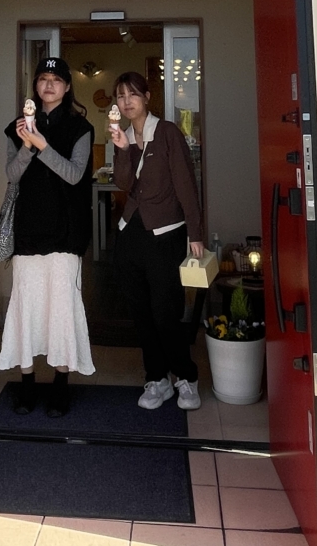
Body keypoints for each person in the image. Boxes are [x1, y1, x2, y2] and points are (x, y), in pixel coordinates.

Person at [0, 57, 95, 416]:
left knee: (61, 309)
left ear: (67, 87)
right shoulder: (17, 127)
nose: (49, 85)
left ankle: (60, 385)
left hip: (66, 232)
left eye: (56, 79)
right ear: (35, 86)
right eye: (43, 78)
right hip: (28, 231)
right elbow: (12, 175)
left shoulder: (80, 128)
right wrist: (26, 145)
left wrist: (41, 145)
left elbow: (74, 174)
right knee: (26, 306)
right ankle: (26, 383)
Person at [109, 71, 204, 410]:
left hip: (166, 233)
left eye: (133, 94)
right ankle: (157, 379)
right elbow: (123, 184)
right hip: (131, 233)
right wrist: (122, 150)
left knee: (166, 312)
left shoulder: (166, 133)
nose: (127, 101)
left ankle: (186, 377)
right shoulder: (122, 136)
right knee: (141, 314)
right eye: (121, 96)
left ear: (147, 97)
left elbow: (185, 184)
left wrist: (195, 233)